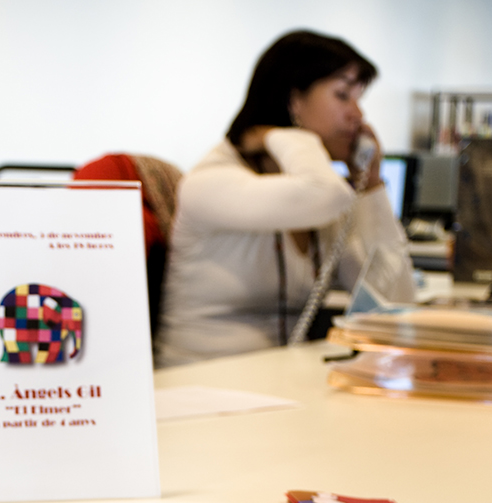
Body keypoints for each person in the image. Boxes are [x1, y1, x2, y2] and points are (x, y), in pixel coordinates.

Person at [156, 30, 414, 367]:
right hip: (199, 381)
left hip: (281, 381)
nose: (358, 115)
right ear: (293, 101)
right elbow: (323, 194)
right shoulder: (210, 182)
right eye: (342, 95)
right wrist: (285, 135)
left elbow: (395, 301)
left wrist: (372, 184)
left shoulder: (328, 198)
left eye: (358, 99)